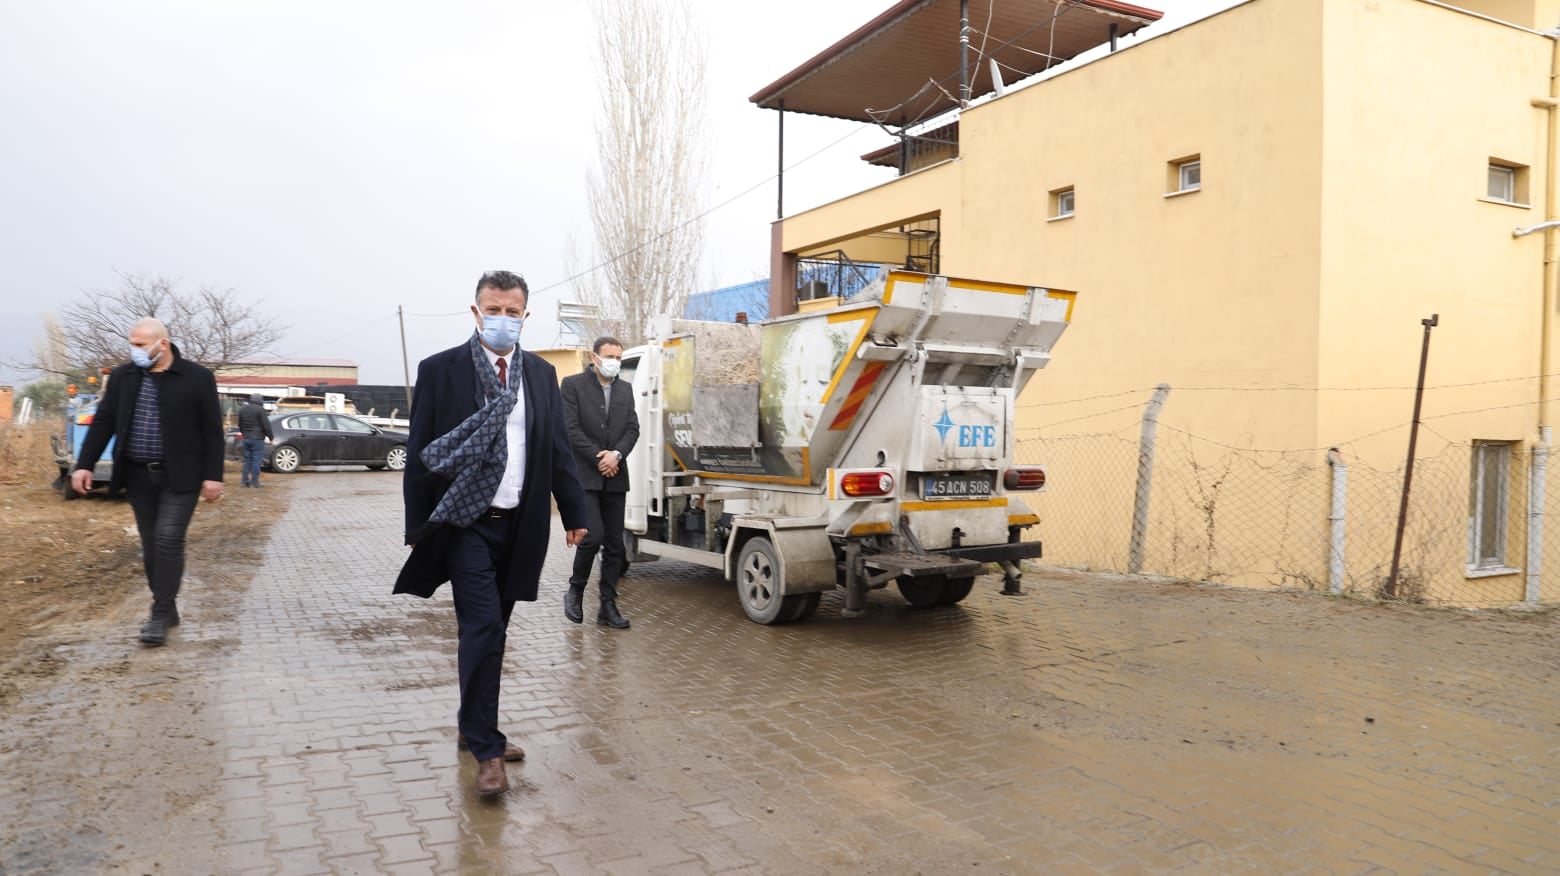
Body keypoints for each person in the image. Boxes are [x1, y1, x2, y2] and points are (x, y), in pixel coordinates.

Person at [394, 270, 589, 797]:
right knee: (482, 628)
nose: (503, 319)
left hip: (520, 524)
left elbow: (556, 450)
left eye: (513, 311)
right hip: (464, 525)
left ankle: (470, 721)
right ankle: (486, 746)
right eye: (493, 309)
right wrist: (418, 524)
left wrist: (574, 514)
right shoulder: (442, 370)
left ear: (525, 315)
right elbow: (420, 454)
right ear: (476, 313)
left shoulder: (541, 375)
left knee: (492, 633)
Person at [72, 318, 224, 646]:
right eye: (132, 344)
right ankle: (167, 606)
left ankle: (159, 613)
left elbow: (212, 430)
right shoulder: (124, 377)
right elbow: (104, 422)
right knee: (152, 543)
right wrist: (83, 464)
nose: (134, 350)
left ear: (162, 344)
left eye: (140, 345)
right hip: (138, 475)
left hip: (180, 475)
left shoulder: (197, 378)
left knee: (169, 539)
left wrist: (214, 476)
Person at [560, 336, 640, 629]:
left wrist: (616, 455)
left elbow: (633, 427)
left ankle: (608, 606)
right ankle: (575, 589)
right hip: (586, 475)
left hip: (615, 475)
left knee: (616, 545)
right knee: (592, 536)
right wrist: (599, 457)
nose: (614, 362)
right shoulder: (572, 385)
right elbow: (569, 428)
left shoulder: (625, 390)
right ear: (594, 358)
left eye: (619, 357)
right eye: (610, 356)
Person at [236, 393, 273, 487]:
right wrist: (270, 437)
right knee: (256, 461)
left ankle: (244, 482)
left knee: (247, 460)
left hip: (246, 438)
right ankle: (254, 482)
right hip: (257, 439)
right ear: (260, 400)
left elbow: (240, 424)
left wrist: (245, 434)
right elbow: (266, 425)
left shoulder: (242, 409)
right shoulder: (260, 410)